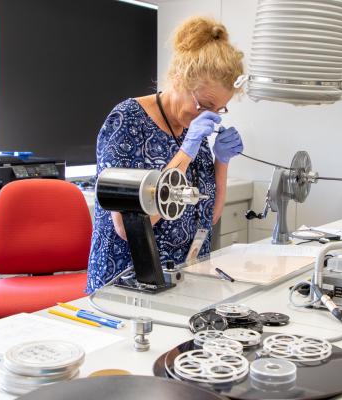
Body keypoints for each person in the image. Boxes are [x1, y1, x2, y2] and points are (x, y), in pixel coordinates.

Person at [86, 16, 245, 293]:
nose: (210, 116)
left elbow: (210, 215)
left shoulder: (190, 129)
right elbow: (128, 227)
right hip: (128, 284)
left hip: (185, 281)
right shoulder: (128, 121)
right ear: (178, 78)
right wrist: (184, 153)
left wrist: (222, 160)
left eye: (218, 110)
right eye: (205, 105)